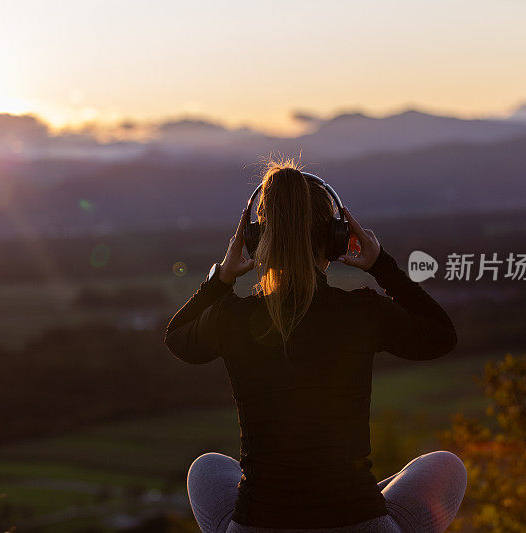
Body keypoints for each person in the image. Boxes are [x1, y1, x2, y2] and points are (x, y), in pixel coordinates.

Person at [163, 160, 466, 533]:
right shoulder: (361, 311)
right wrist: (381, 266)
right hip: (357, 522)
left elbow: (177, 336)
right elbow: (441, 334)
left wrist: (220, 278)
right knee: (446, 465)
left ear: (257, 242)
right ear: (337, 239)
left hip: (258, 524)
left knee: (207, 467)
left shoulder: (232, 317)